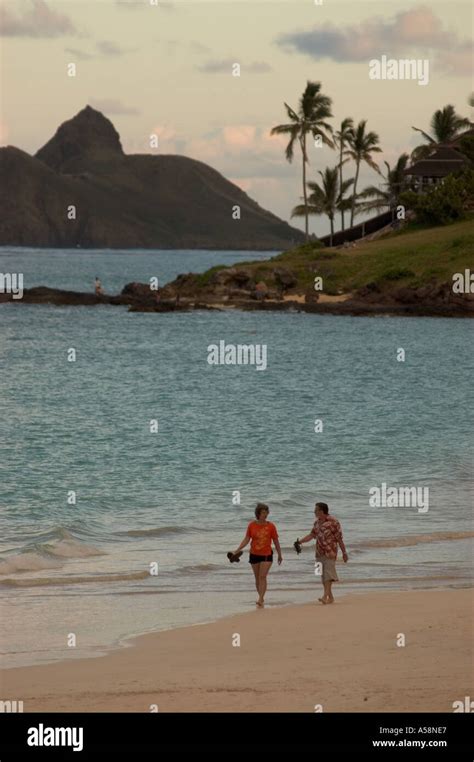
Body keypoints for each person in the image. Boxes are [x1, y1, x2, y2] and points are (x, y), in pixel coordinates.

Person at [295, 502, 348, 604]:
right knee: (321, 575)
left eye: (316, 510)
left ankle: (324, 596)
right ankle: (330, 597)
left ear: (321, 511)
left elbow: (339, 539)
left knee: (328, 574)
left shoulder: (334, 522)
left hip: (330, 552)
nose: (314, 512)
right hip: (318, 552)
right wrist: (299, 542)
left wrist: (344, 553)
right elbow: (311, 535)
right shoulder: (316, 523)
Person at [231, 503, 282, 608]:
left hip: (267, 554)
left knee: (262, 576)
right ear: (258, 513)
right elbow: (246, 539)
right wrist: (237, 550)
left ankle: (260, 599)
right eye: (263, 512)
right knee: (257, 578)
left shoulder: (271, 526)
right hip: (254, 554)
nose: (265, 514)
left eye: (266, 512)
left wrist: (280, 554)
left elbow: (276, 541)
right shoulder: (251, 525)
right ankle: (261, 598)